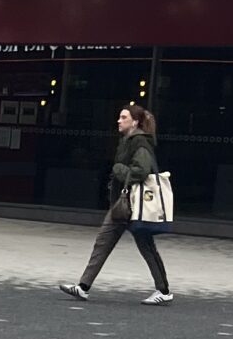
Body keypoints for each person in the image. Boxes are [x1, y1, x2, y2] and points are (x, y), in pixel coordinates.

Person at [59, 104, 172, 303]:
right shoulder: (128, 141)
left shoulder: (140, 143)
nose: (118, 121)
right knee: (105, 243)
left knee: (144, 247)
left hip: (130, 205)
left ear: (134, 122)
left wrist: (119, 169)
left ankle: (163, 291)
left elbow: (141, 171)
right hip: (123, 204)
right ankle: (84, 286)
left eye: (123, 117)